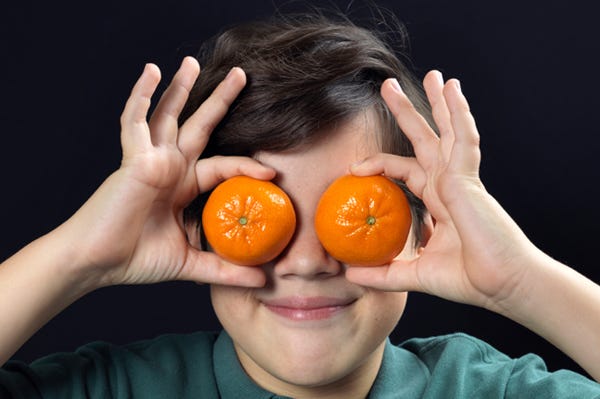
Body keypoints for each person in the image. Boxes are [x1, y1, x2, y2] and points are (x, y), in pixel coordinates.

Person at [1, 11, 600, 399]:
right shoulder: (117, 391)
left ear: (426, 226)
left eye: (357, 211)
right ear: (199, 228)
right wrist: (79, 256)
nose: (308, 262)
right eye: (262, 215)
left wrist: (520, 280)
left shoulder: (490, 392)